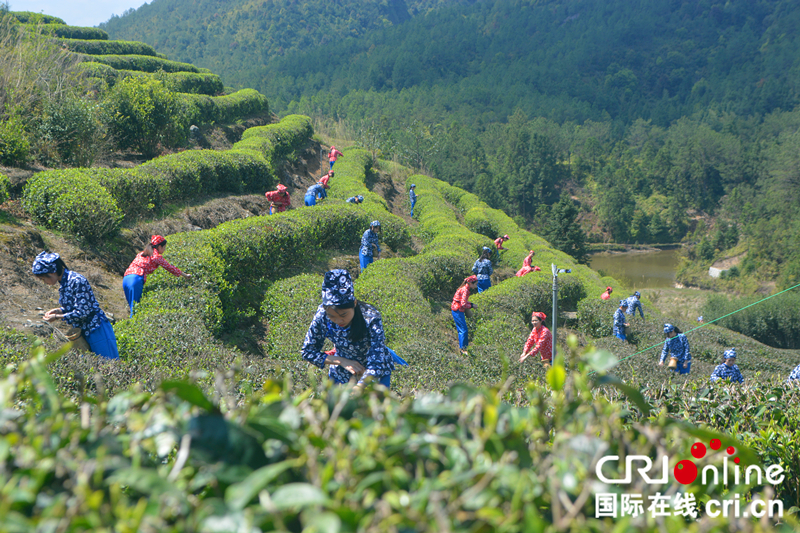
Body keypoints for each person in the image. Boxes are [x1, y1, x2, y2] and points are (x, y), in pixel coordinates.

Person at [301, 269, 394, 390]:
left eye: (344, 315)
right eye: (332, 316)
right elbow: (308, 351)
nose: (339, 321)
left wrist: (361, 386)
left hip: (374, 375)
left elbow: (377, 361)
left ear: (354, 303)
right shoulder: (322, 315)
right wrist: (341, 361)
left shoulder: (370, 318)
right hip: (341, 374)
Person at [32, 251, 119, 360]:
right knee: (92, 369)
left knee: (109, 363)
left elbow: (82, 312)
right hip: (83, 331)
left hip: (96, 329)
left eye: (44, 278)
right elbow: (74, 306)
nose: (44, 282)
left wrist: (57, 317)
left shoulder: (76, 281)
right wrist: (60, 310)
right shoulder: (64, 283)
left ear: (52, 272)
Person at [123, 235, 191, 318]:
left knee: (132, 308)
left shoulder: (142, 253)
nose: (165, 249)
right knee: (135, 311)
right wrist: (185, 275)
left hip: (126, 278)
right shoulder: (156, 257)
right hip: (135, 279)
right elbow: (170, 267)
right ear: (159, 246)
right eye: (164, 247)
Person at [451, 275, 478, 355]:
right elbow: (463, 304)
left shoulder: (465, 289)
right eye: (475, 284)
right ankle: (463, 349)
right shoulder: (465, 290)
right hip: (458, 310)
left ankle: (462, 348)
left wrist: (471, 304)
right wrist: (472, 306)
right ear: (470, 283)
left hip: (457, 309)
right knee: (463, 330)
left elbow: (463, 302)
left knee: (462, 329)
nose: (476, 286)